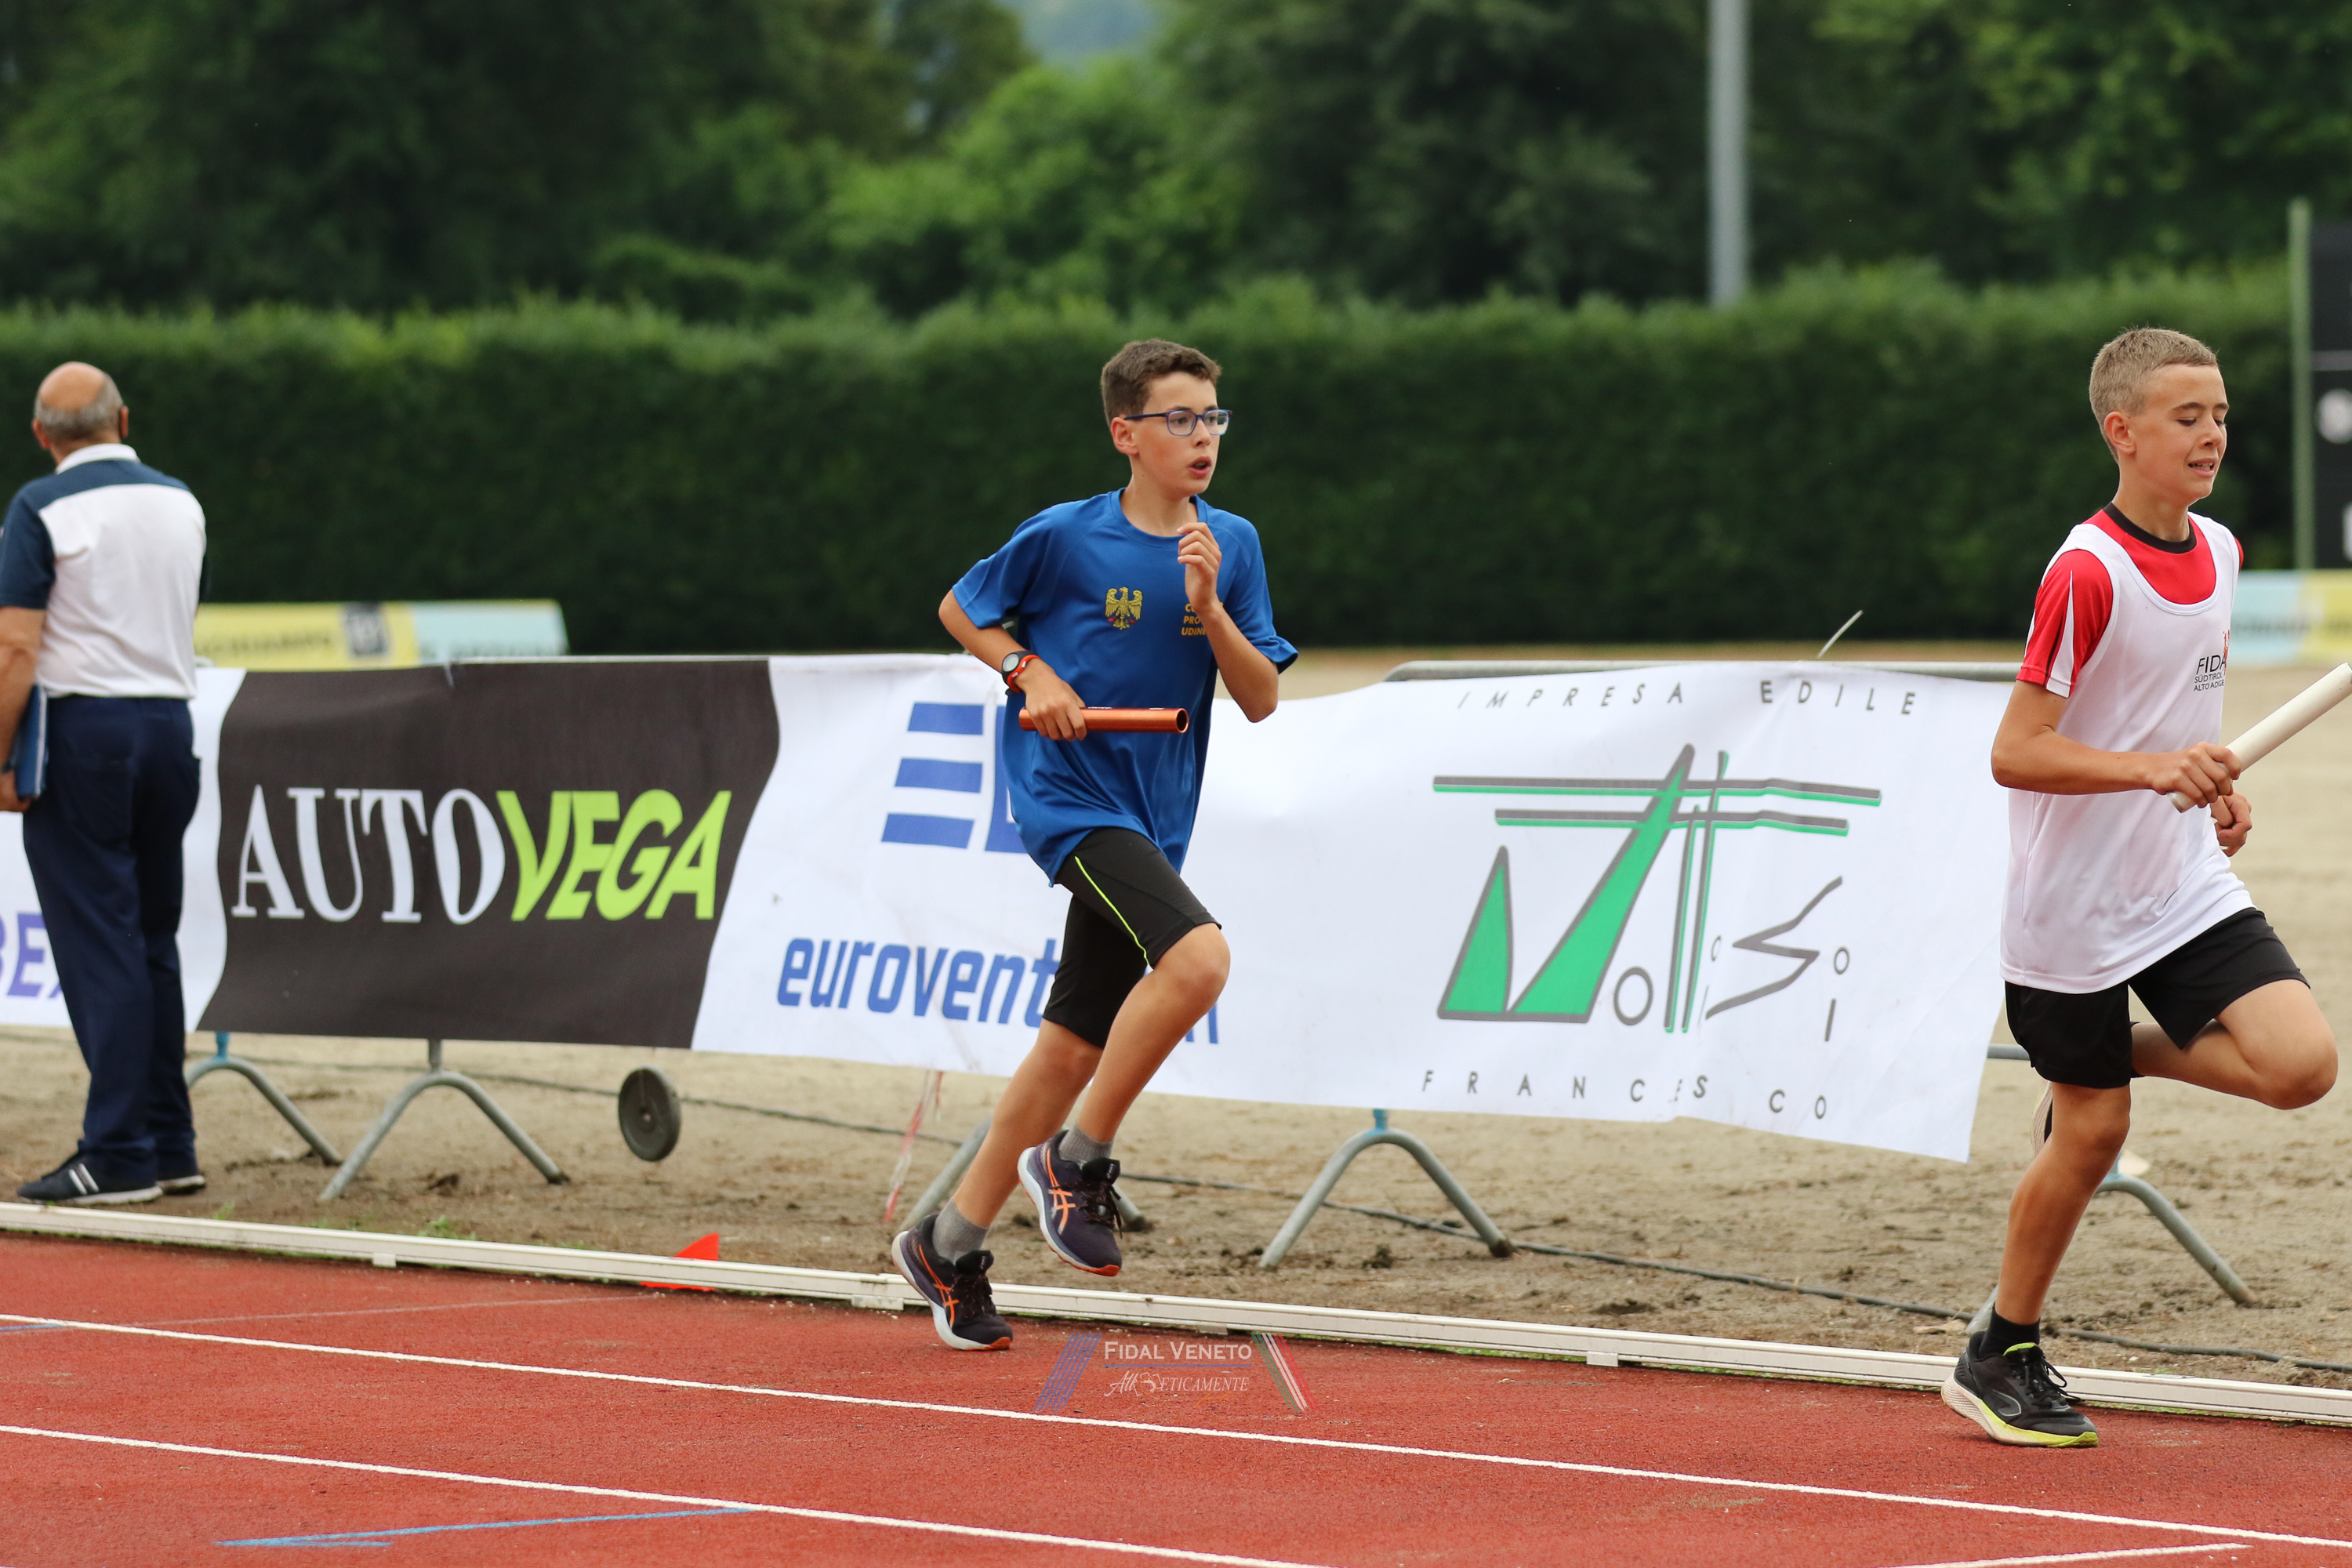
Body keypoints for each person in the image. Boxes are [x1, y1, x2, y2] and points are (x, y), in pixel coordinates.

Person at [1947, 328, 2338, 1446]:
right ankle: (2000, 1347)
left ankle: (2112, 1054)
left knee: (2302, 1065)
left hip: (2181, 883)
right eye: (2186, 417)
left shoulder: (2221, 551)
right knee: (2091, 1136)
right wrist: (2152, 770)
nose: (2213, 435)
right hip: (2071, 914)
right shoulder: (2086, 572)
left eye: (2220, 415)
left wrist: (2214, 791)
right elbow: (2016, 750)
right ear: (2121, 432)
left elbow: (2177, 721)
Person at [892, 338, 1294, 1351]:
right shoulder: (1065, 536)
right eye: (1179, 419)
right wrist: (1029, 672)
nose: (1203, 437)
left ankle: (948, 1242)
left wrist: (1209, 609)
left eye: (1213, 417)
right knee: (1199, 961)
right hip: (1070, 797)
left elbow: (1259, 697)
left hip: (1157, 813)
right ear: (1126, 434)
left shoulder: (1231, 543)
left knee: (1071, 1044)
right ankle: (1076, 1159)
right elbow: (961, 608)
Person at [0, 362, 207, 1207]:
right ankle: (169, 1142)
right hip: (171, 727)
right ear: (124, 419)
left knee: (103, 947)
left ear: (41, 434)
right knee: (152, 939)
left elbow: (16, 647)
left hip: (85, 736)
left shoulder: (39, 507)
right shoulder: (182, 501)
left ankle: (118, 1150)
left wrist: (0, 756)